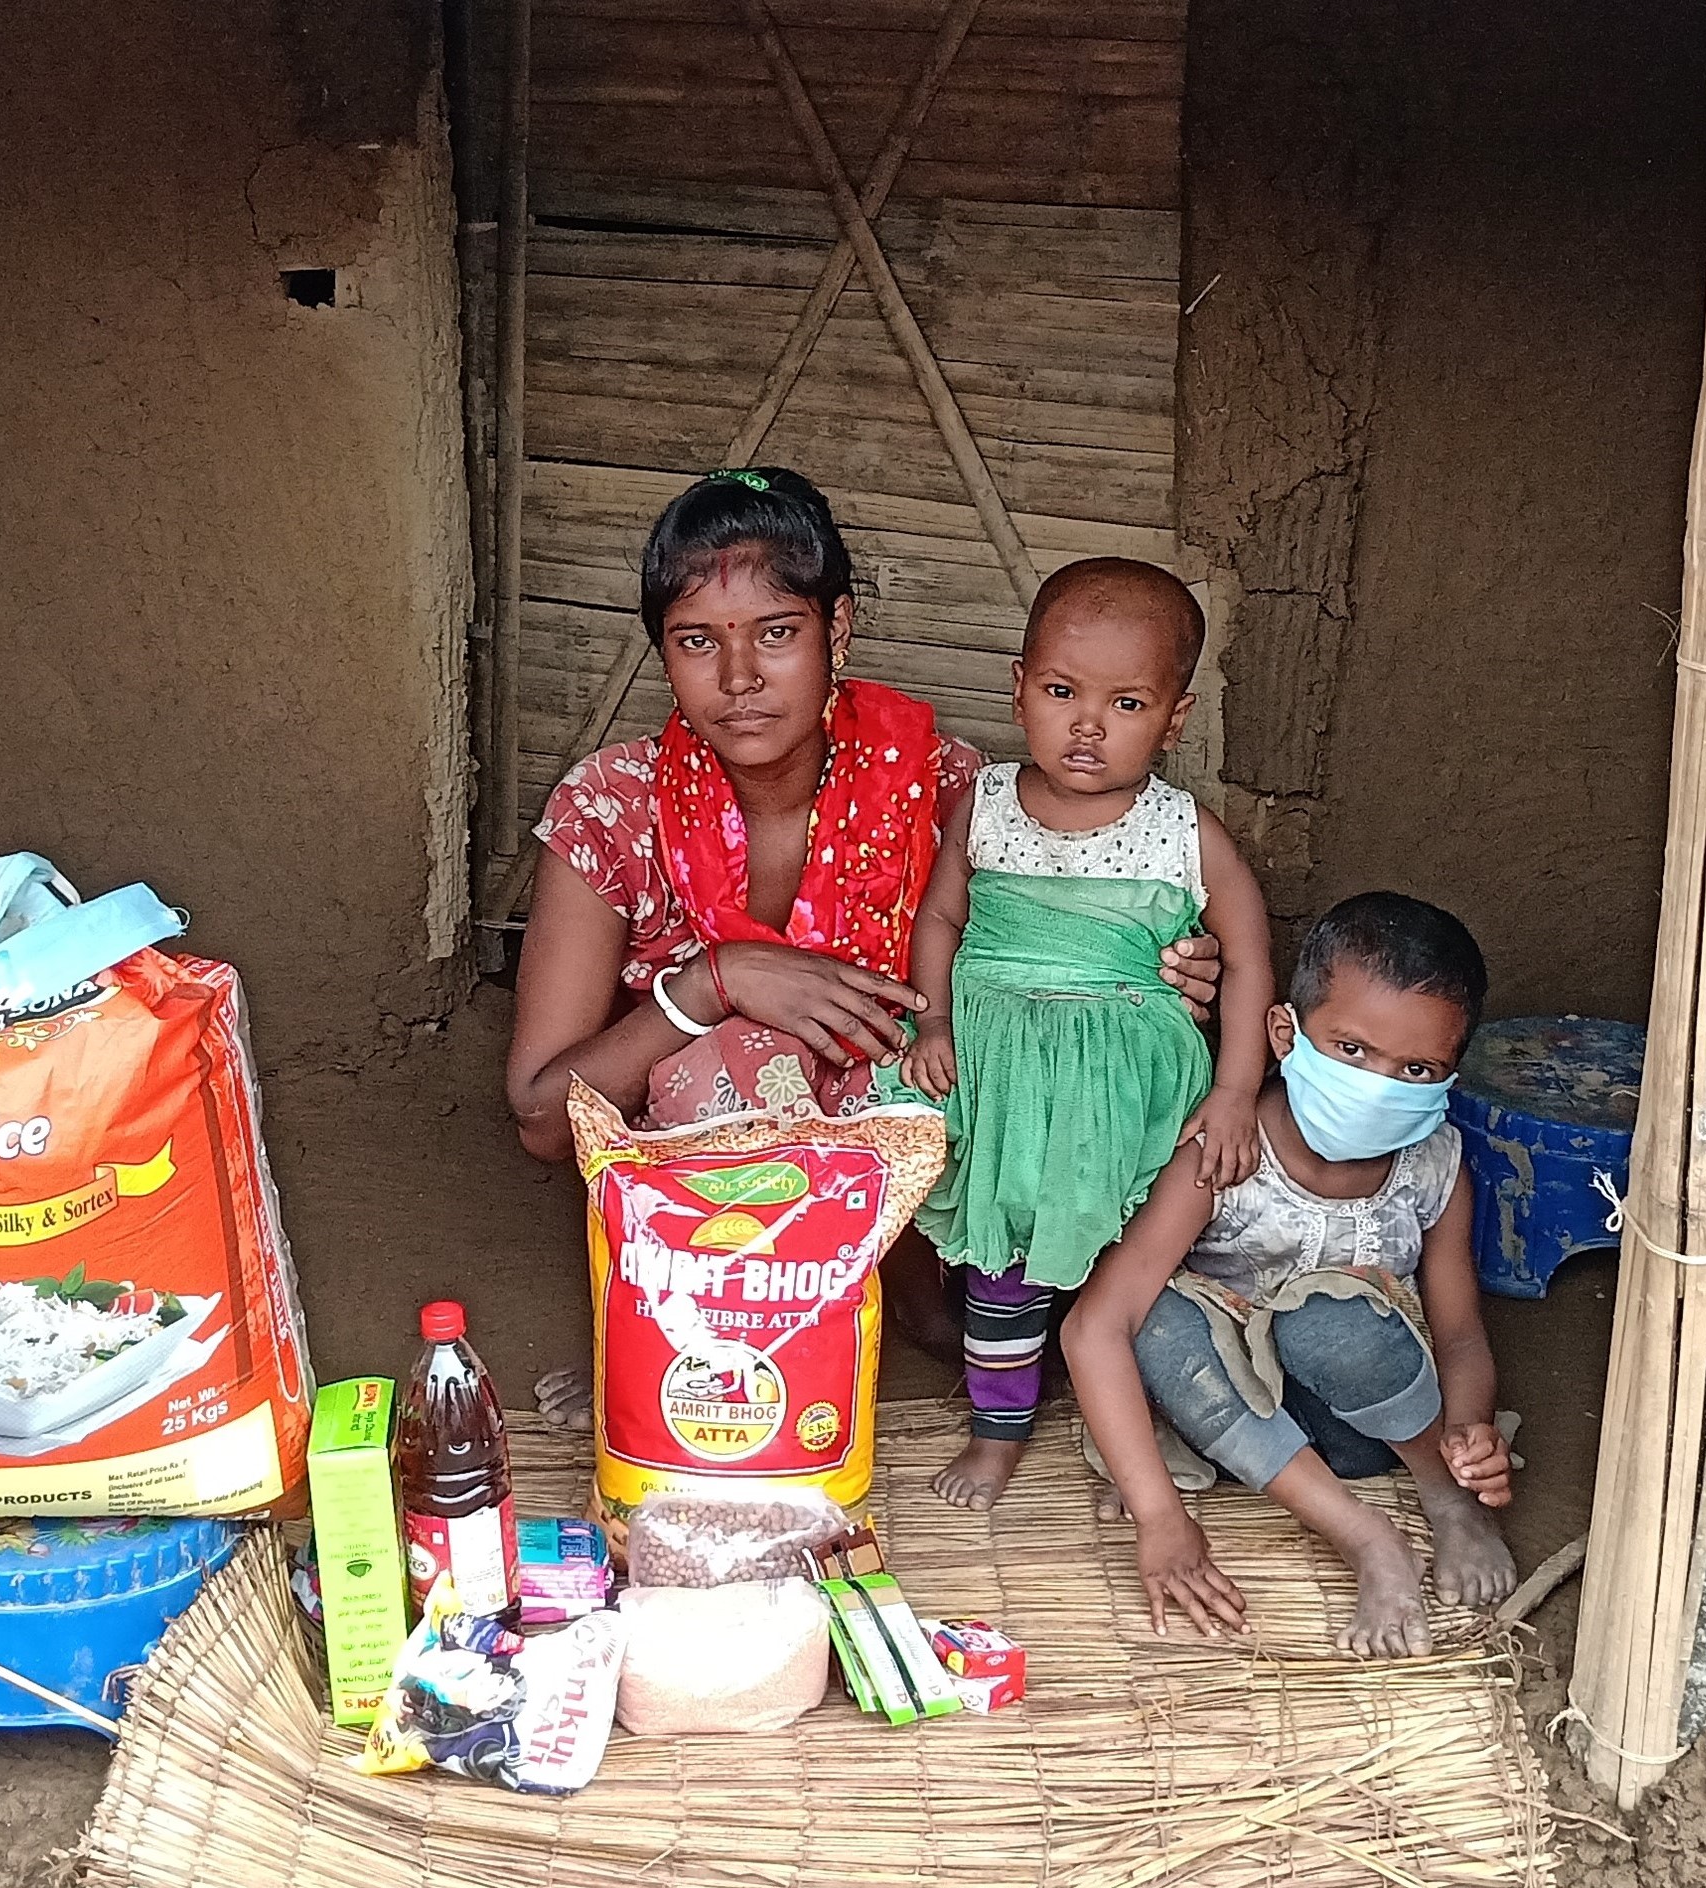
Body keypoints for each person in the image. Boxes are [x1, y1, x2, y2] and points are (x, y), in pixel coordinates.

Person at [504, 472, 1222, 1359]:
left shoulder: (948, 792)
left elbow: (1092, 949)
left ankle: (931, 1299)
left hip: (918, 1164)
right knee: (738, 1057)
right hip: (714, 1223)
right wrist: (715, 982)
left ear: (836, 629)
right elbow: (543, 1118)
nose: (739, 679)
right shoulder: (613, 809)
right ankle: (692, 1333)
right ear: (662, 651)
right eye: (697, 641)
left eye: (777, 634)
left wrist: (1165, 968)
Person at [900, 559, 1276, 1510]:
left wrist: (1234, 1092)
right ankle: (1000, 1427)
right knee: (1005, 1259)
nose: (1087, 725)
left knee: (1132, 1259)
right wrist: (936, 1017)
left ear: (1176, 720)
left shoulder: (1185, 831)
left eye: (1128, 703)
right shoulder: (982, 803)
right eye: (1062, 692)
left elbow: (1252, 960)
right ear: (1018, 686)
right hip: (1003, 1077)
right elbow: (941, 919)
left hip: (1119, 1087)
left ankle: (1142, 1426)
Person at [1061, 892, 1519, 1659]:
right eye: (1351, 1050)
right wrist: (1159, 1513)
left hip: (1370, 1428)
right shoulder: (1223, 1153)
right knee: (1159, 1324)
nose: (1379, 1083)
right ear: (1285, 1034)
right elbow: (1095, 1325)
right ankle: (1367, 1537)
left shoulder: (1434, 1165)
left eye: (1416, 1068)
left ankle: (1448, 1505)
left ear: (1449, 1077)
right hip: (1234, 1431)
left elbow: (1462, 1332)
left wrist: (1470, 1434)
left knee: (1326, 1317)